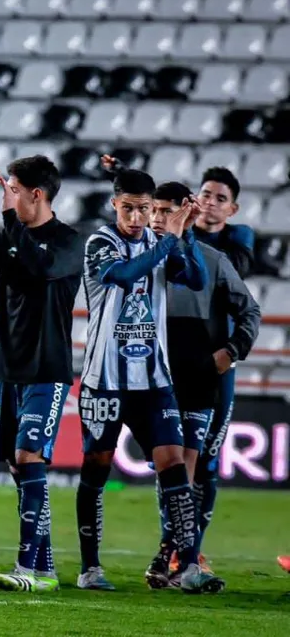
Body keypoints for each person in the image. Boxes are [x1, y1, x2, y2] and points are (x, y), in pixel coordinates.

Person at [76, 168, 222, 595]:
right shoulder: (101, 242)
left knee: (174, 463)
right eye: (129, 208)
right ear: (114, 204)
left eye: (145, 209)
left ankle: (188, 564)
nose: (138, 218)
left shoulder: (164, 241)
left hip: (154, 380)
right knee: (97, 469)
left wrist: (188, 234)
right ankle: (90, 567)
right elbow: (120, 276)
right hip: (105, 378)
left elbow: (196, 279)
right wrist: (170, 241)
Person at [0, 155, 81, 593]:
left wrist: (8, 218)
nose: (8, 196)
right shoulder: (11, 233)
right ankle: (45, 568)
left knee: (30, 458)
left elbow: (41, 268)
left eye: (13, 189)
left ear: (35, 195)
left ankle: (27, 567)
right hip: (8, 370)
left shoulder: (68, 241)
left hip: (47, 369)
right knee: (16, 463)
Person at [142, 181, 259, 588]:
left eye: (166, 210)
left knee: (190, 467)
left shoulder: (211, 259)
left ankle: (175, 556)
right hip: (150, 378)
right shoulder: (138, 256)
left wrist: (230, 352)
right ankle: (172, 556)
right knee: (170, 469)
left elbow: (250, 311)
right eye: (153, 210)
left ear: (186, 211)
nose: (158, 218)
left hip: (196, 375)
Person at [192, 166, 254, 569]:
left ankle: (191, 548)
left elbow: (230, 277)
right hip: (174, 360)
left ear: (232, 208)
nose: (210, 203)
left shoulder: (237, 240)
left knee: (207, 461)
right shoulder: (174, 233)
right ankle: (176, 548)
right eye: (206, 194)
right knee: (175, 459)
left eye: (220, 198)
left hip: (217, 363)